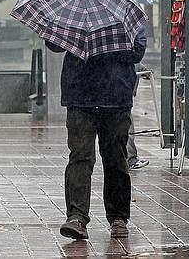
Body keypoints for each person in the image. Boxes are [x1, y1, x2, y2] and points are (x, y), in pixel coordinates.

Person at [46, 25, 146, 240]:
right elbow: (53, 45)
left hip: (116, 97)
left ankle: (118, 218)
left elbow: (137, 50)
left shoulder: (124, 13)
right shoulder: (73, 14)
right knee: (80, 157)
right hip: (80, 96)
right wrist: (69, 34)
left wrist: (103, 44)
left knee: (116, 159)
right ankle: (76, 217)